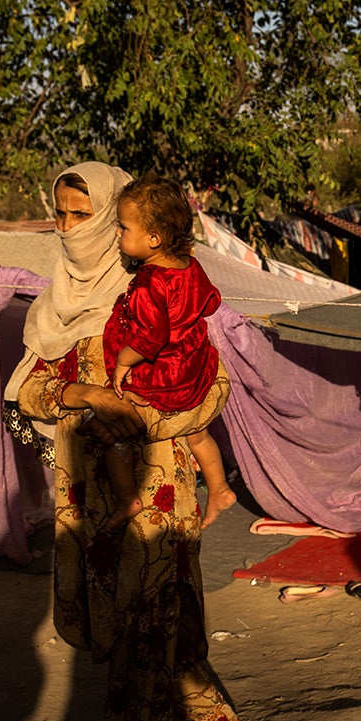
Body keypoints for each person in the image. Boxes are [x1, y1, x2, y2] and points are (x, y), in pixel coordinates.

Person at [6, 161, 246, 721]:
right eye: (60, 213)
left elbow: (208, 390)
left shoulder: (154, 292)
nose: (69, 228)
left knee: (142, 621)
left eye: (83, 214)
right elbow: (26, 390)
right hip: (86, 491)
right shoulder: (56, 306)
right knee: (147, 621)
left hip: (156, 490)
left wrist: (145, 416)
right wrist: (81, 394)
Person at [101, 175, 235, 530]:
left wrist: (122, 363)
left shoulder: (149, 284)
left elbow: (151, 339)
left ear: (154, 239)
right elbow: (211, 301)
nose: (117, 234)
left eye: (123, 227)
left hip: (163, 378)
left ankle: (128, 496)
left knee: (114, 435)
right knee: (198, 434)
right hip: (193, 365)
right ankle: (220, 488)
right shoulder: (190, 265)